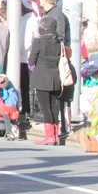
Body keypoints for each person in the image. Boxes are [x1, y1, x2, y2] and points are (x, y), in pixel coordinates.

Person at [29, 16, 65, 145]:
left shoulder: (39, 42)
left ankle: (49, 136)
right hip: (56, 77)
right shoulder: (59, 41)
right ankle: (56, 135)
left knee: (45, 108)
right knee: (54, 106)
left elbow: (31, 61)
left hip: (41, 78)